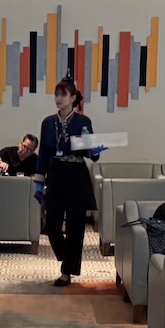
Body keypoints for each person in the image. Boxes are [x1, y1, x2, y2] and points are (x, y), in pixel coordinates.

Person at [35, 78, 105, 286]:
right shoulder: (48, 123)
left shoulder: (83, 122)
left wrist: (95, 148)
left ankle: (66, 271)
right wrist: (39, 181)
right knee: (52, 225)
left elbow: (93, 156)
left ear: (73, 98)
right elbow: (44, 153)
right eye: (56, 94)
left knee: (75, 226)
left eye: (63, 94)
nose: (58, 98)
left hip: (76, 174)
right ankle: (67, 258)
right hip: (56, 173)